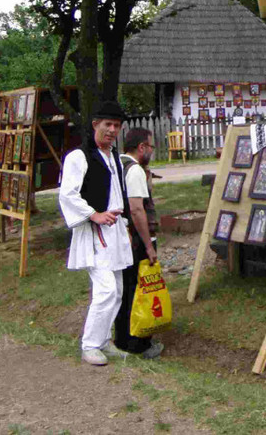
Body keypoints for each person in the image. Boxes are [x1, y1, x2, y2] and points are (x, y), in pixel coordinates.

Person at [58, 101, 133, 366]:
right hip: (94, 232)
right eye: (107, 125)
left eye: (116, 126)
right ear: (95, 126)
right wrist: (93, 214)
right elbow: (67, 194)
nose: (112, 130)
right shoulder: (78, 157)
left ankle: (103, 341)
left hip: (115, 231)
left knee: (119, 290)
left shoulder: (113, 156)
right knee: (106, 290)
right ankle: (89, 345)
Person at [114, 127, 165, 359]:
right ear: (142, 147)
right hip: (135, 241)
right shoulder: (133, 170)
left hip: (122, 239)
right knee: (139, 291)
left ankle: (123, 338)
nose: (152, 151)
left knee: (125, 291)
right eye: (151, 146)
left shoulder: (117, 165)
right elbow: (136, 209)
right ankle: (138, 343)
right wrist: (148, 244)